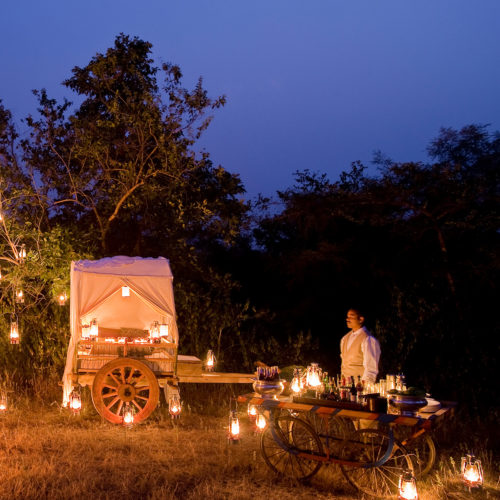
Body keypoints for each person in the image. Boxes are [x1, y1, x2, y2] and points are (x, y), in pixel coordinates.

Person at [340, 308, 380, 384]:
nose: (347, 319)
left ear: (361, 319)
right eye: (347, 317)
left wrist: (364, 388)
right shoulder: (345, 338)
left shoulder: (368, 339)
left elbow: (371, 368)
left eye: (351, 317)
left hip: (359, 387)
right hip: (345, 386)